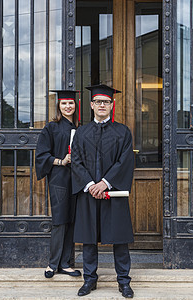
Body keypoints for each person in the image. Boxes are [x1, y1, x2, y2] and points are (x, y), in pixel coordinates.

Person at [71, 84, 134, 298]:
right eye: (98, 102)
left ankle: (124, 281)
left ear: (111, 105)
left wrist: (105, 183)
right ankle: (89, 280)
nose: (102, 105)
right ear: (91, 105)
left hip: (113, 192)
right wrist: (90, 185)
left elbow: (125, 161)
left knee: (119, 239)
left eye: (106, 102)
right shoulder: (81, 132)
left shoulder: (122, 131)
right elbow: (76, 161)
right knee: (89, 238)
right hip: (89, 193)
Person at [35, 90, 81, 278]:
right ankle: (52, 264)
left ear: (75, 106)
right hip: (59, 179)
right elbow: (42, 155)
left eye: (70, 103)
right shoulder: (51, 128)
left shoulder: (80, 129)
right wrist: (62, 161)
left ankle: (66, 263)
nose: (67, 107)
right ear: (58, 106)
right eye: (64, 104)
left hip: (77, 179)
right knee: (60, 221)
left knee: (71, 221)